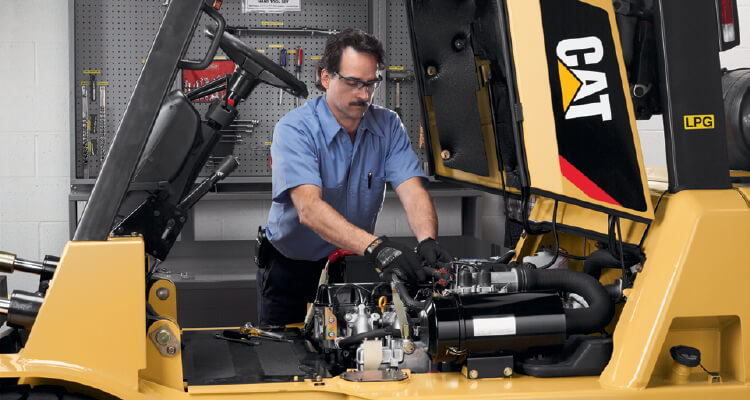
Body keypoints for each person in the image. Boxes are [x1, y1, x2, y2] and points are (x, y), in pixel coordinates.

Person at [256, 28, 451, 326]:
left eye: (371, 83)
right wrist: (377, 247)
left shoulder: (388, 126)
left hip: (351, 262)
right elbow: (309, 209)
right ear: (326, 78)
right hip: (289, 269)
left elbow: (412, 190)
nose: (363, 94)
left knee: (352, 354)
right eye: (353, 83)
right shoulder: (294, 129)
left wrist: (427, 240)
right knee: (284, 360)